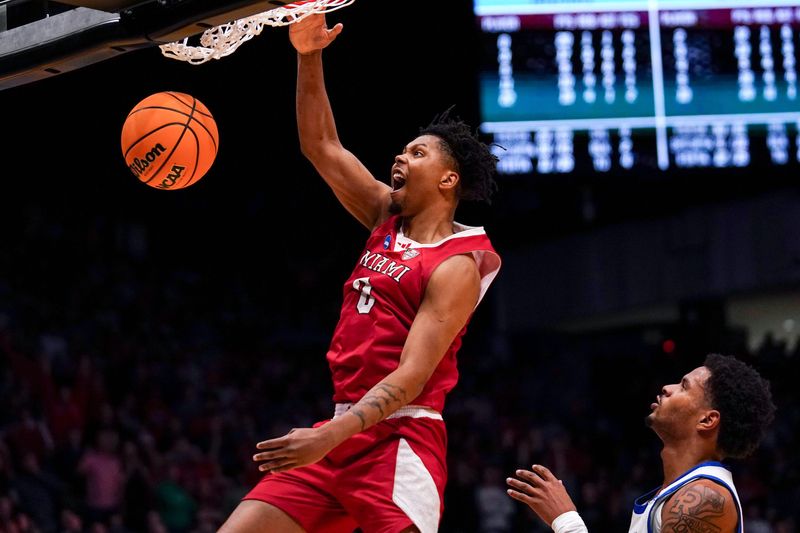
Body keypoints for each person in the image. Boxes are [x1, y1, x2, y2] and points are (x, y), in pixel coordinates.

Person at [219, 12, 502, 533]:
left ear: (448, 179)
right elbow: (321, 146)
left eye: (416, 152)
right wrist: (309, 55)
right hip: (342, 426)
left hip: (399, 440)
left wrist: (329, 435)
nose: (400, 156)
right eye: (402, 148)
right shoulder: (383, 213)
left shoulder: (459, 263)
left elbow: (413, 376)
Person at [506, 353, 776, 533]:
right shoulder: (677, 493)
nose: (667, 388)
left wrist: (566, 520)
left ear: (707, 420)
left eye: (684, 386)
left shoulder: (703, 499)